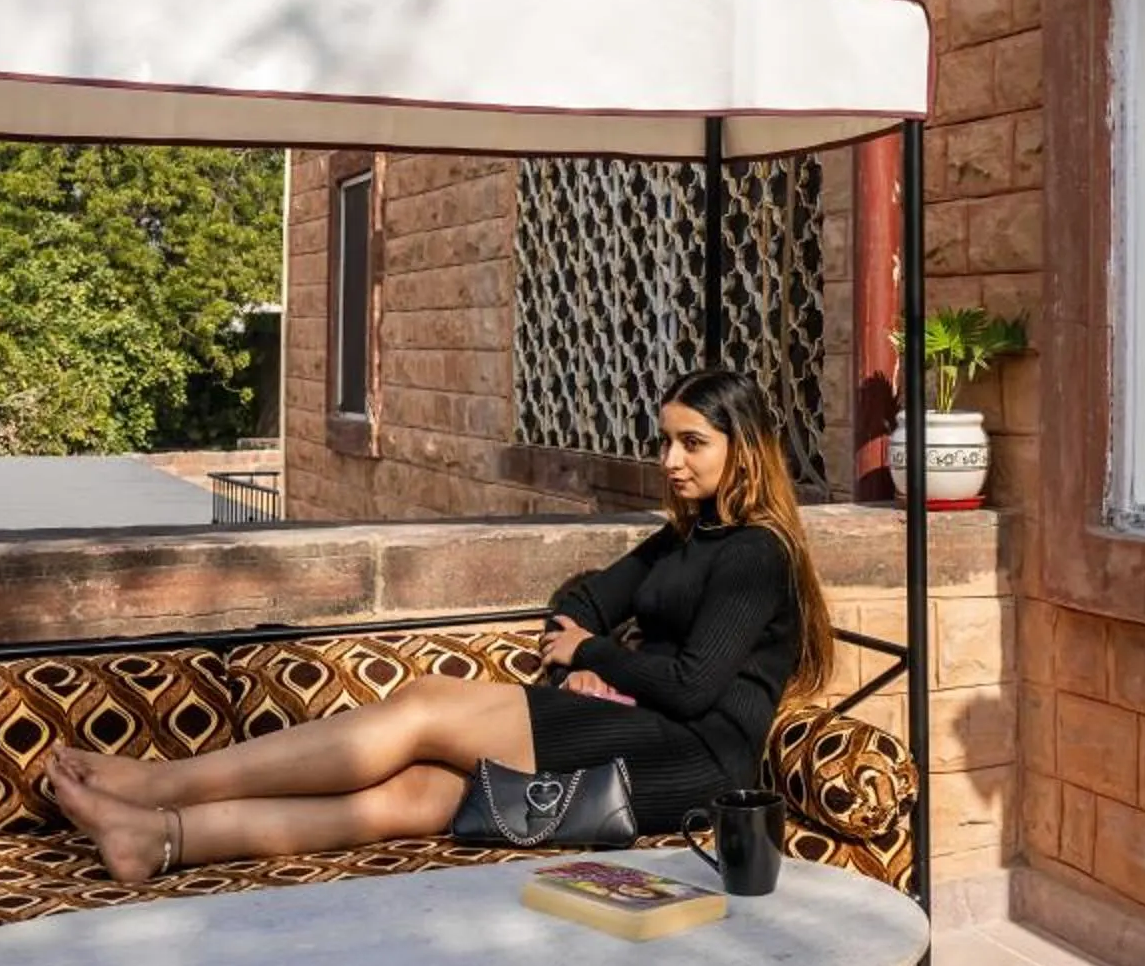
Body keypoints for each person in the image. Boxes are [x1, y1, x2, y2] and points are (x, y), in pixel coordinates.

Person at [42, 367, 833, 884]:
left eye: (693, 443)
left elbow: (695, 688)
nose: (670, 461)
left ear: (747, 451)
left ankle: (159, 783)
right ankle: (163, 838)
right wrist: (578, 664)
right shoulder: (686, 537)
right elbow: (583, 598)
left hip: (697, 761)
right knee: (420, 795)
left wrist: (594, 655)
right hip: (640, 723)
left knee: (422, 705)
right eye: (666, 440)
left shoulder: (757, 553)